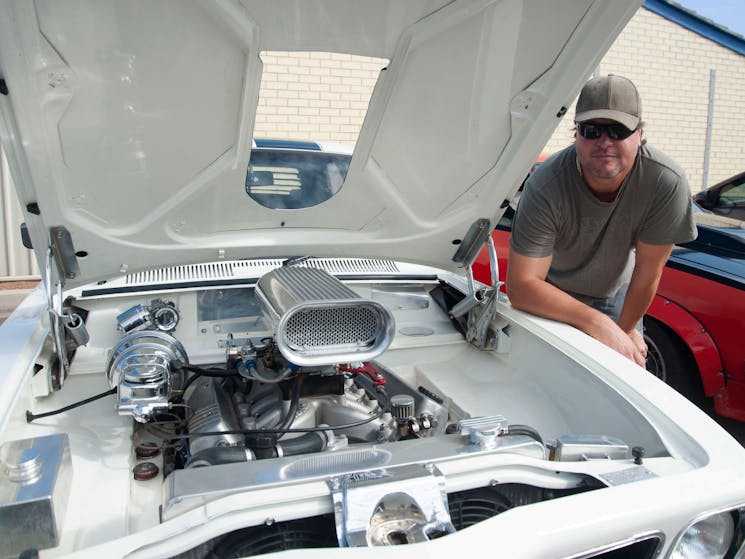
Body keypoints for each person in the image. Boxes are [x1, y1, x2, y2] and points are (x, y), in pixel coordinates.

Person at [506, 75, 697, 366]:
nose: (604, 142)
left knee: (622, 381)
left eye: (618, 130)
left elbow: (647, 272)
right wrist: (596, 323)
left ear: (639, 134)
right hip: (551, 294)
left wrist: (626, 329)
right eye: (592, 130)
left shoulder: (664, 181)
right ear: (576, 134)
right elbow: (522, 286)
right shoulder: (547, 184)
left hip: (617, 295)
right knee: (546, 375)